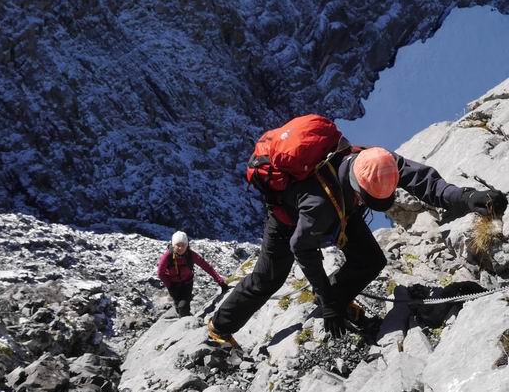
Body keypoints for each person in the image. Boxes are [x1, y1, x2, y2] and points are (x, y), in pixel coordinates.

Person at [208, 116, 508, 342]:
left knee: (371, 260)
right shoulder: (318, 205)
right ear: (359, 190)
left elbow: (425, 183)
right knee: (268, 278)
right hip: (287, 221)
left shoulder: (376, 161)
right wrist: (328, 303)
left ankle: (338, 299)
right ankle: (219, 329)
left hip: (341, 211)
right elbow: (302, 247)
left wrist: (469, 197)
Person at [158, 231, 229, 317]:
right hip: (173, 285)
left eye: (183, 245)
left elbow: (206, 266)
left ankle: (186, 322)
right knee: (178, 307)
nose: (180, 248)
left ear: (187, 245)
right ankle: (185, 318)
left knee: (183, 306)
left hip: (187, 284)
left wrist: (220, 281)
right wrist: (169, 286)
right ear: (173, 245)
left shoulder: (190, 255)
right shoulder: (168, 256)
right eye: (178, 245)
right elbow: (160, 273)